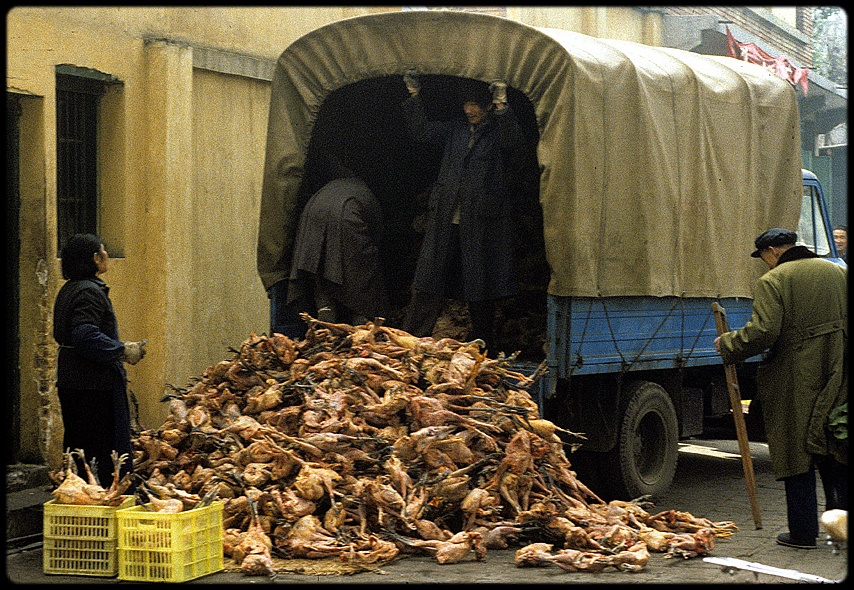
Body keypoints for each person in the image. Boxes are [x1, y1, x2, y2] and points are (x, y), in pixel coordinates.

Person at [714, 228, 847, 550]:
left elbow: (765, 331)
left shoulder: (776, 279)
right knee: (837, 446)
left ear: (772, 251)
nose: (765, 264)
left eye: (763, 258)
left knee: (795, 449)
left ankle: (803, 534)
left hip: (797, 377)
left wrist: (729, 344)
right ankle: (840, 528)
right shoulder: (837, 271)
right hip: (841, 370)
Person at [400, 69, 523, 345]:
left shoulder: (496, 132)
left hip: (479, 221)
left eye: (476, 105)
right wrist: (414, 96)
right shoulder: (456, 129)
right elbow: (421, 131)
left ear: (489, 105)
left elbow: (513, 142)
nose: (469, 110)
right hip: (445, 218)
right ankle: (410, 341)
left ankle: (482, 346)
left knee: (479, 284)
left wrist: (503, 107)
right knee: (428, 278)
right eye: (466, 104)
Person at [53, 233, 146, 487]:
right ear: (95, 258)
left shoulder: (69, 290)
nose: (106, 257)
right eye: (103, 252)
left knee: (78, 447)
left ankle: (81, 500)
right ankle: (105, 500)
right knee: (106, 452)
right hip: (95, 386)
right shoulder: (89, 293)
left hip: (72, 381)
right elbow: (85, 334)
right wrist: (122, 349)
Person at [287, 153, 390, 330]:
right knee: (361, 284)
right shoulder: (367, 192)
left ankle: (325, 320)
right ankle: (361, 326)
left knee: (319, 269)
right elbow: (375, 238)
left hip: (312, 217)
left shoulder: (335, 186)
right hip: (345, 219)